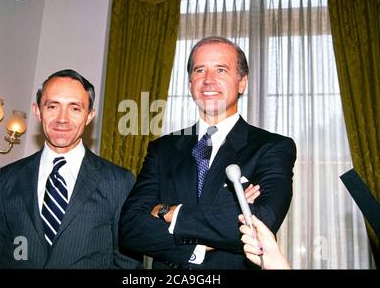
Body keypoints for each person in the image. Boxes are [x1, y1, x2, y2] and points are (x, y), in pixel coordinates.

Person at [118, 36, 297, 269]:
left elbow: (261, 223)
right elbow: (130, 227)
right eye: (200, 70)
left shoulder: (272, 147)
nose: (208, 80)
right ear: (190, 83)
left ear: (242, 82)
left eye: (221, 70)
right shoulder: (163, 149)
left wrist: (170, 212)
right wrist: (200, 245)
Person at [0, 69, 142, 269]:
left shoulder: (120, 181)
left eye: (75, 108)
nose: (62, 118)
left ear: (89, 116)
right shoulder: (6, 178)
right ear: (37, 112)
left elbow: (128, 264)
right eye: (52, 106)